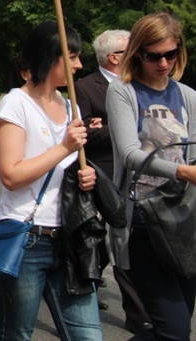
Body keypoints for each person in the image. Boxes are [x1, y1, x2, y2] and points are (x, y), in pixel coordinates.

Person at [0, 21, 102, 340]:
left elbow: (61, 169)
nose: (80, 65)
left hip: (70, 239)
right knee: (17, 334)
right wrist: (64, 147)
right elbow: (11, 175)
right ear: (46, 57)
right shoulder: (16, 103)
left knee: (88, 336)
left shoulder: (69, 106)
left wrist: (84, 176)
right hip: (27, 239)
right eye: (73, 57)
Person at [106, 12, 196, 341]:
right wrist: (182, 171)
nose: (163, 63)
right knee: (173, 330)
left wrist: (190, 168)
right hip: (141, 223)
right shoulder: (123, 92)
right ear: (137, 54)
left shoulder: (187, 96)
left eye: (170, 54)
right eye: (153, 55)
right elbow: (130, 154)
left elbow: (193, 153)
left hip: (182, 223)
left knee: (176, 327)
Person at [75, 29, 152, 331]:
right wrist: (120, 128)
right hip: (103, 173)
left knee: (123, 244)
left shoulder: (139, 85)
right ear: (113, 57)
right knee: (101, 243)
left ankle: (135, 312)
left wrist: (108, 124)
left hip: (137, 176)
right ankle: (84, 287)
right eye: (131, 48)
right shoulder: (85, 87)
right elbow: (82, 133)